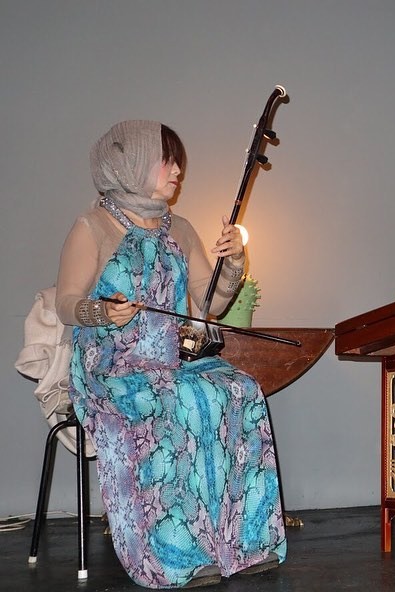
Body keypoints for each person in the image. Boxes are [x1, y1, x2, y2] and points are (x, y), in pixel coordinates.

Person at [55, 120, 286, 588]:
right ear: (131, 161)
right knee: (167, 400)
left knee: (241, 390)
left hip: (167, 363)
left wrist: (235, 261)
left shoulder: (178, 227)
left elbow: (208, 306)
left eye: (177, 159)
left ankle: (246, 543)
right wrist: (101, 311)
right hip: (109, 369)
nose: (177, 168)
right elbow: (66, 303)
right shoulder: (92, 227)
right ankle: (174, 555)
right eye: (166, 158)